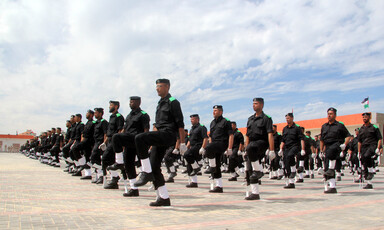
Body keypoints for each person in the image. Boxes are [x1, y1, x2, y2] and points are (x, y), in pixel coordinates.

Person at [134, 79, 186, 206]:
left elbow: (180, 124)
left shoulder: (173, 102)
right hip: (160, 135)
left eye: (160, 86)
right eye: (156, 86)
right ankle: (163, 198)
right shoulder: (159, 103)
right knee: (155, 166)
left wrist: (182, 143)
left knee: (139, 138)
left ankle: (146, 173)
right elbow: (156, 125)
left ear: (167, 87)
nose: (157, 88)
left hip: (168, 135)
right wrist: (152, 141)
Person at [109, 96, 150, 196]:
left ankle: (119, 162)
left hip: (137, 139)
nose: (130, 103)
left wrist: (146, 144)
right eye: (130, 102)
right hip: (128, 141)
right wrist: (121, 140)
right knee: (128, 164)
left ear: (138, 102)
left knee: (115, 137)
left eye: (132, 102)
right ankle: (134, 189)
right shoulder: (129, 115)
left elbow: (146, 130)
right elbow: (125, 129)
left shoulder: (143, 115)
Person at [243, 97, 275, 200]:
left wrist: (272, 150)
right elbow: (247, 135)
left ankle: (258, 171)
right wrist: (245, 149)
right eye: (253, 103)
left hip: (262, 143)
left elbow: (270, 134)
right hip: (252, 146)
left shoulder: (266, 118)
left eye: (256, 103)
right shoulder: (250, 119)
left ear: (261, 105)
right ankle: (255, 193)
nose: (253, 105)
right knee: (250, 170)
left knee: (252, 148)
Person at [201, 105, 233, 193]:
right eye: (213, 111)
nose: (213, 112)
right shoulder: (212, 122)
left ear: (221, 112)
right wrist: (211, 146)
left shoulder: (226, 122)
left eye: (215, 110)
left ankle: (212, 167)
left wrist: (229, 148)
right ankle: (219, 186)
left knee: (208, 150)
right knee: (217, 164)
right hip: (214, 145)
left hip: (222, 143)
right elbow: (210, 136)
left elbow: (231, 135)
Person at [320, 107, 351, 194]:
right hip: (327, 147)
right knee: (326, 167)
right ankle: (332, 187)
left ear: (335, 115)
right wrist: (321, 151)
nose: (329, 115)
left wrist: (345, 144)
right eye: (328, 114)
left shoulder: (339, 125)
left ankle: (330, 169)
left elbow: (348, 136)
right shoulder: (324, 126)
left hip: (336, 145)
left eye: (331, 114)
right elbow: (322, 140)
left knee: (331, 153)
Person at [101, 101, 125, 189]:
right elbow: (109, 132)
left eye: (111, 105)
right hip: (110, 140)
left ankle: (112, 178)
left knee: (105, 158)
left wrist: (118, 142)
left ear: (116, 106)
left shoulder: (119, 117)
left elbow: (120, 130)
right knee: (111, 161)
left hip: (115, 141)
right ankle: (114, 179)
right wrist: (105, 142)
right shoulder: (111, 117)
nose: (109, 107)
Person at [279, 113, 305, 189]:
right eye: (286, 119)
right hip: (286, 147)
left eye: (288, 118)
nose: (287, 120)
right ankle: (291, 183)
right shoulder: (285, 128)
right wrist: (281, 149)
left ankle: (293, 170)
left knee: (290, 155)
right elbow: (283, 140)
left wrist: (303, 149)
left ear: (292, 118)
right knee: (286, 164)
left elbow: (301, 139)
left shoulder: (297, 128)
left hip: (295, 146)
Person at [358, 112, 382, 189]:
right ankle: (369, 183)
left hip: (372, 145)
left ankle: (371, 171)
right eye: (363, 117)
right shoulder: (361, 129)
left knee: (367, 156)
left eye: (366, 117)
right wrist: (358, 152)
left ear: (369, 118)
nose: (364, 118)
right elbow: (359, 142)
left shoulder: (374, 127)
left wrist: (378, 148)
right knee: (364, 162)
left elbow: (380, 139)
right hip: (364, 147)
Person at [183, 114, 208, 187]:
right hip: (192, 146)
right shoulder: (191, 129)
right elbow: (190, 140)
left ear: (197, 119)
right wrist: (186, 148)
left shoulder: (202, 127)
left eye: (192, 119)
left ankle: (197, 167)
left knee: (187, 155)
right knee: (189, 164)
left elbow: (205, 138)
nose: (191, 121)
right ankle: (194, 182)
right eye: (190, 120)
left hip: (198, 146)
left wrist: (203, 147)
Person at [72, 110, 96, 179]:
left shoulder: (93, 122)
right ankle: (87, 173)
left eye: (88, 113)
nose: (86, 114)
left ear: (91, 115)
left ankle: (82, 165)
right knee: (86, 156)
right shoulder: (87, 123)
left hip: (89, 141)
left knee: (75, 149)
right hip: (85, 141)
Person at [90, 108, 109, 184]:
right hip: (96, 142)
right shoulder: (96, 122)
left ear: (101, 113)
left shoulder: (103, 122)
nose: (95, 114)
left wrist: (104, 143)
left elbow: (105, 133)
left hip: (100, 143)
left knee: (94, 158)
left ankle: (101, 175)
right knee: (95, 160)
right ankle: (99, 175)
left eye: (96, 113)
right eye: (94, 113)